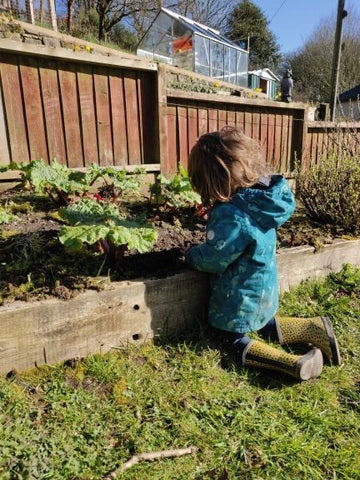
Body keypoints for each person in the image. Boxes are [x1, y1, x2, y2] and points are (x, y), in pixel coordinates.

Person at [185, 126, 341, 381]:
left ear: (212, 180)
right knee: (263, 322)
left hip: (238, 296)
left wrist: (191, 255)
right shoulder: (260, 202)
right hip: (265, 289)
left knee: (230, 336)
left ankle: (291, 363)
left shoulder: (231, 215)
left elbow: (215, 258)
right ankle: (312, 329)